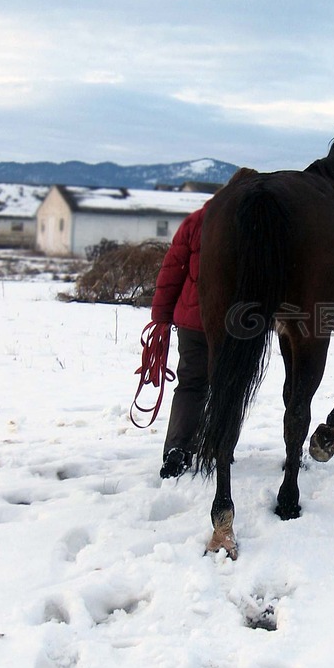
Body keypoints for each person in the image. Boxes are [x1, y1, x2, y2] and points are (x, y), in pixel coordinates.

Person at [151, 203, 209, 479]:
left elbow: (172, 269)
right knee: (228, 386)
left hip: (191, 321)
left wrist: (161, 315)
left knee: (190, 384)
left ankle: (177, 448)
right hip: (235, 325)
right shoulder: (256, 224)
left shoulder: (196, 221)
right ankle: (219, 447)